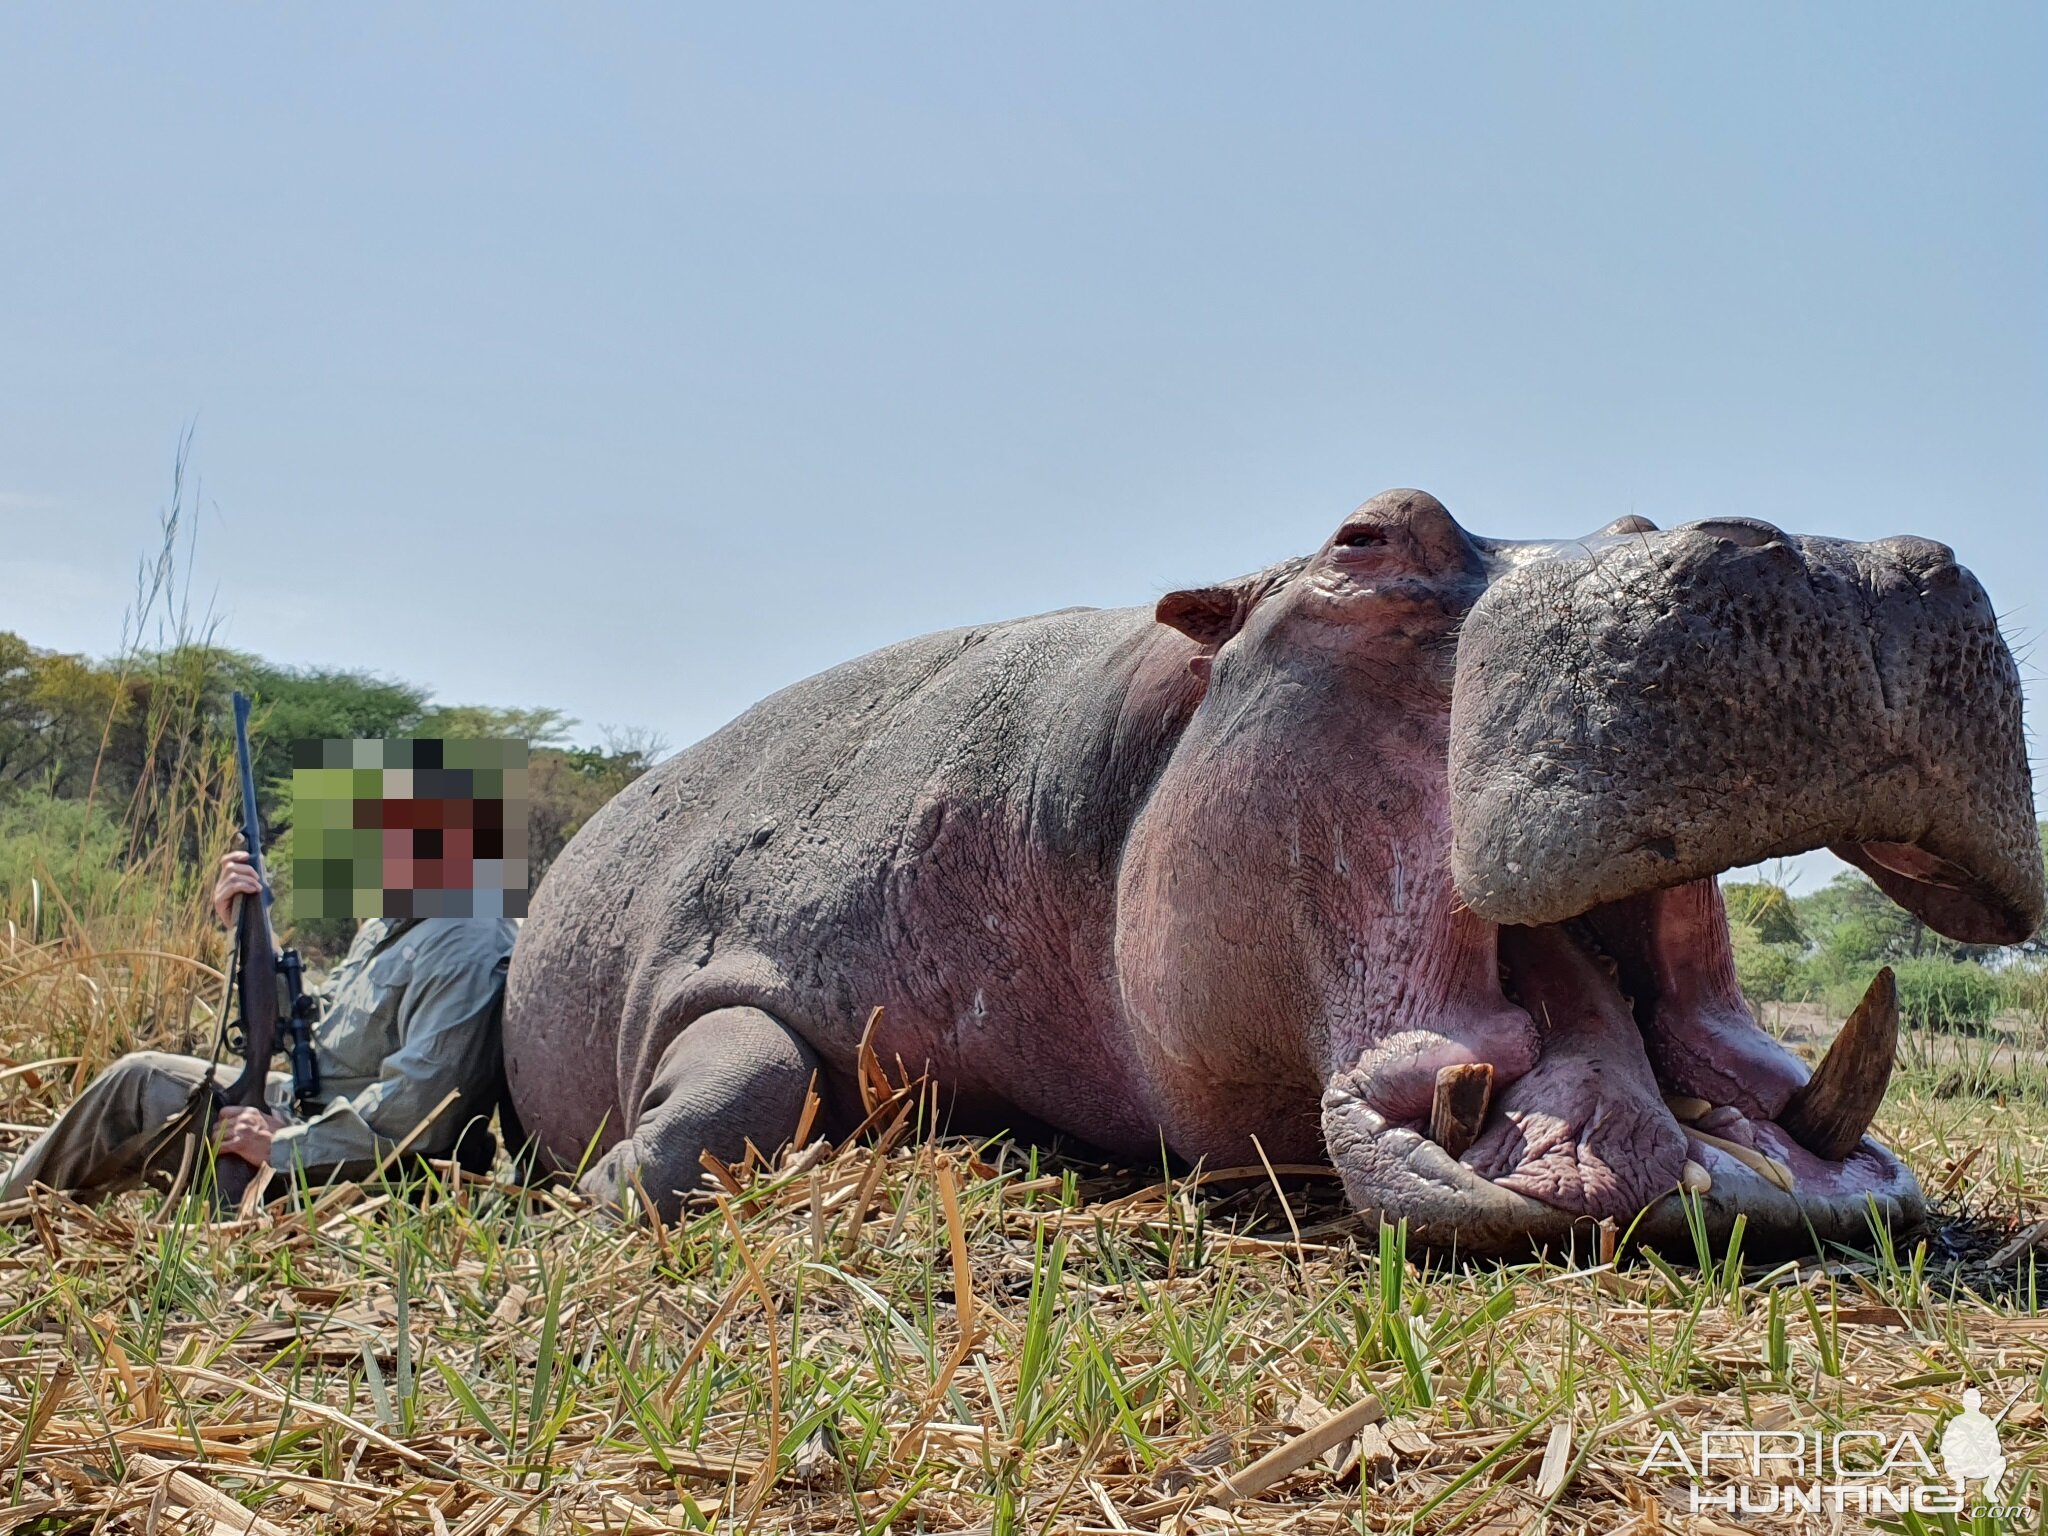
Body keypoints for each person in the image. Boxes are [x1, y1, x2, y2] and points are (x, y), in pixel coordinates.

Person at [1, 850, 518, 1203]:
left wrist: (285, 1143)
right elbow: (316, 1027)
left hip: (363, 1169)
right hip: (306, 1110)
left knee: (146, 1081)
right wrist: (250, 932)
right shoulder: (394, 920)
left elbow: (421, 1120)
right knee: (138, 1078)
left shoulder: (465, 941)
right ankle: (15, 1205)